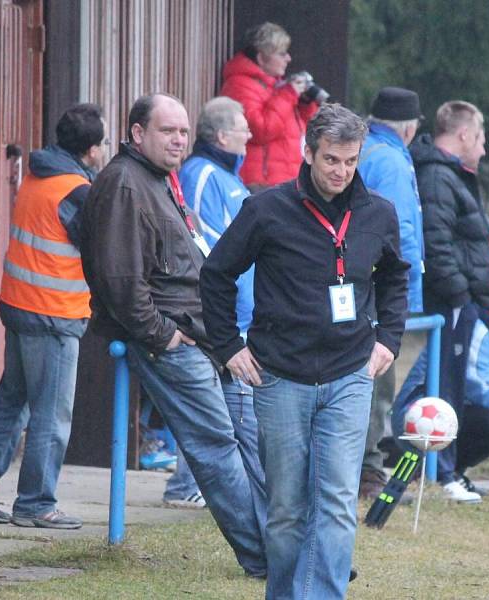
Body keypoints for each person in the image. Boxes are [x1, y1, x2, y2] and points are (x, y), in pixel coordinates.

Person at [201, 103, 409, 600]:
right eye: (331, 160)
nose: (340, 172)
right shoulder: (266, 209)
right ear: (308, 152)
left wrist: (390, 339)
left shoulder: (378, 213)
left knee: (336, 501)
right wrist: (229, 346)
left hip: (350, 375)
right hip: (279, 378)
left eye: (351, 161)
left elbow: (396, 275)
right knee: (288, 507)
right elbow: (216, 274)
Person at [80, 93, 267, 577]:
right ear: (138, 134)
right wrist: (161, 335)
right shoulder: (124, 183)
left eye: (184, 131)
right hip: (173, 340)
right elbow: (121, 282)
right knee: (216, 446)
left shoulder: (159, 180)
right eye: (168, 131)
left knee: (253, 436)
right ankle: (265, 557)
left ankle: (286, 545)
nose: (180, 139)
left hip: (208, 334)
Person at [0, 103, 107, 529]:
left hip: (20, 307)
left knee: (11, 403)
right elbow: (99, 249)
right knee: (51, 415)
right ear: (92, 150)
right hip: (53, 315)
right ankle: (36, 503)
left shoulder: (39, 174)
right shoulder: (76, 190)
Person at [164, 96, 260, 509]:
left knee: (224, 407)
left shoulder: (229, 177)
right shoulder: (202, 176)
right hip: (222, 314)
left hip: (243, 313)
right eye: (243, 129)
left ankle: (198, 485)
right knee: (212, 407)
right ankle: (185, 487)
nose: (250, 135)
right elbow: (205, 247)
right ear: (222, 135)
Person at [409, 100, 489, 502]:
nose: (483, 149)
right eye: (481, 138)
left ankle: (448, 469)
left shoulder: (452, 175)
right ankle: (440, 472)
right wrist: (460, 293)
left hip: (464, 300)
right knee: (442, 385)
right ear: (464, 134)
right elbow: (437, 241)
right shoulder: (436, 176)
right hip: (450, 300)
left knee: (451, 383)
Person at [392, 288, 489, 498]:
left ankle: (454, 470)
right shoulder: (480, 334)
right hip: (420, 415)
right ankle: (435, 470)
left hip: (460, 407)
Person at [356, 86, 424, 499]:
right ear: (409, 128)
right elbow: (402, 237)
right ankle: (367, 472)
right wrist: (407, 296)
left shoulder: (361, 150)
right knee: (378, 384)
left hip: (352, 285)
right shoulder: (394, 162)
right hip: (379, 294)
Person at [220, 22, 318, 190]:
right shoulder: (239, 85)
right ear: (261, 57)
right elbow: (261, 130)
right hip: (260, 184)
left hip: (283, 181)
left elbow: (303, 129)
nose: (288, 58)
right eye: (281, 54)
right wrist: (288, 95)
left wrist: (305, 104)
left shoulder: (275, 85)